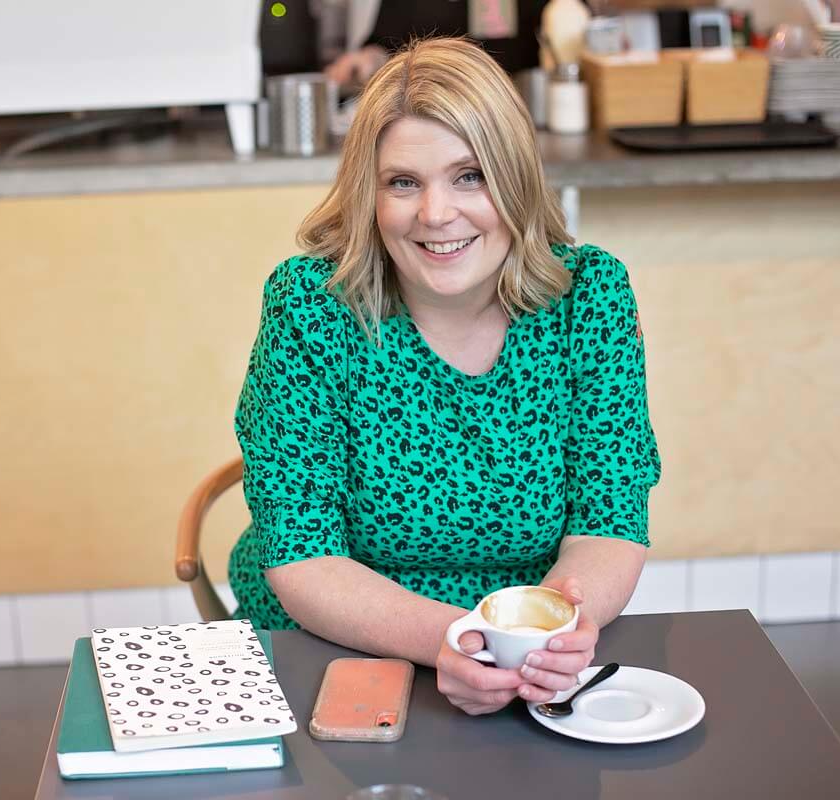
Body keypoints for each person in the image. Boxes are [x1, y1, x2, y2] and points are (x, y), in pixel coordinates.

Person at [228, 37, 661, 715]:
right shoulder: (310, 309)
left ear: (514, 177)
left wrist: (546, 639)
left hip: (527, 653)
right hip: (332, 648)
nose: (435, 214)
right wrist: (457, 638)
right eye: (404, 182)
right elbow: (302, 553)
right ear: (368, 193)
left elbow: (608, 525)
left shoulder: (591, 298)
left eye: (469, 176)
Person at [325, 0, 551, 89]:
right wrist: (366, 59)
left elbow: (568, 23)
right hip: (430, 110)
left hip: (510, 110)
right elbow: (384, 45)